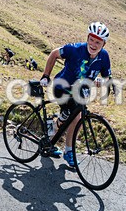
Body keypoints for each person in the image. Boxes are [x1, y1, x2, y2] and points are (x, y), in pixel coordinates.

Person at [39, 22, 112, 168]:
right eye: (91, 39)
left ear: (103, 43)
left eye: (98, 42)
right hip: (62, 88)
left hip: (80, 93)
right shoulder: (74, 49)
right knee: (74, 116)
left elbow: (107, 78)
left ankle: (51, 136)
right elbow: (54, 54)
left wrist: (102, 82)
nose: (93, 44)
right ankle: (67, 149)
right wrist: (46, 75)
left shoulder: (104, 56)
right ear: (87, 38)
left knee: (75, 118)